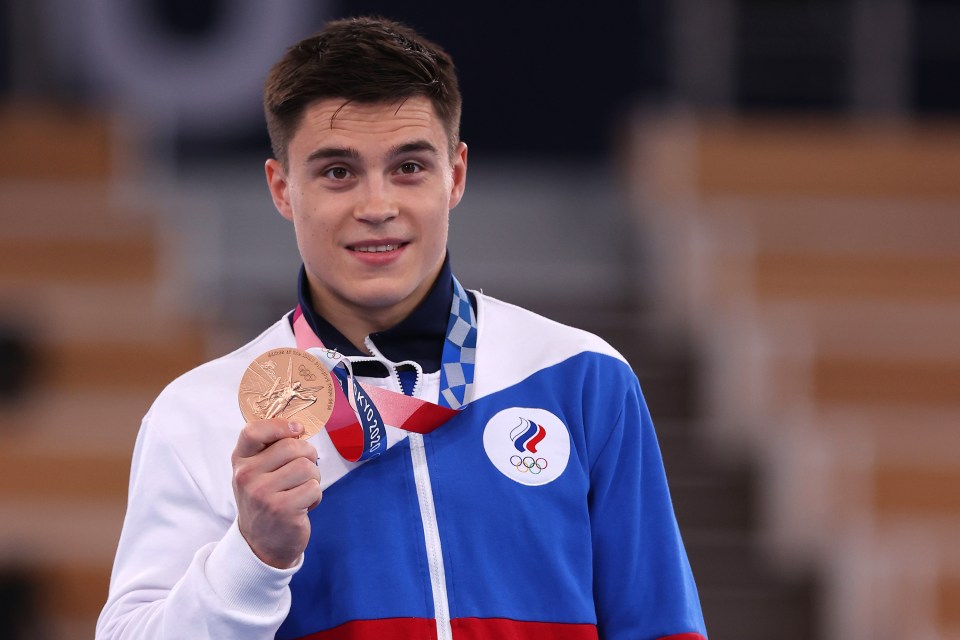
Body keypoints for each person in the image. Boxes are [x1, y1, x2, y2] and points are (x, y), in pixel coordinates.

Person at [96, 15, 707, 640]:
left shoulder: (580, 377)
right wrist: (252, 556)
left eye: (409, 167)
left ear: (456, 175)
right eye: (338, 172)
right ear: (282, 189)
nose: (377, 206)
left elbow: (662, 625)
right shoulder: (201, 413)